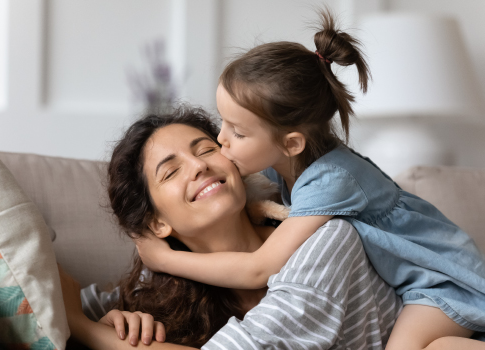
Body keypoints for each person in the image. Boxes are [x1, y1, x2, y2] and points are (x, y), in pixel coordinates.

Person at [136, 9, 485, 350]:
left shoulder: (332, 180)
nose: (220, 141)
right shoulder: (286, 163)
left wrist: (165, 260)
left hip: (444, 282)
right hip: (420, 283)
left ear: (291, 143)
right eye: (222, 123)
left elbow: (259, 269)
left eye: (238, 133)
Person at [61, 106, 402, 349]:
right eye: (171, 172)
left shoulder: (324, 238)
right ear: (157, 223)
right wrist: (115, 323)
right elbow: (40, 282)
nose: (198, 165)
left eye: (207, 149)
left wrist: (87, 331)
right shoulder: (162, 293)